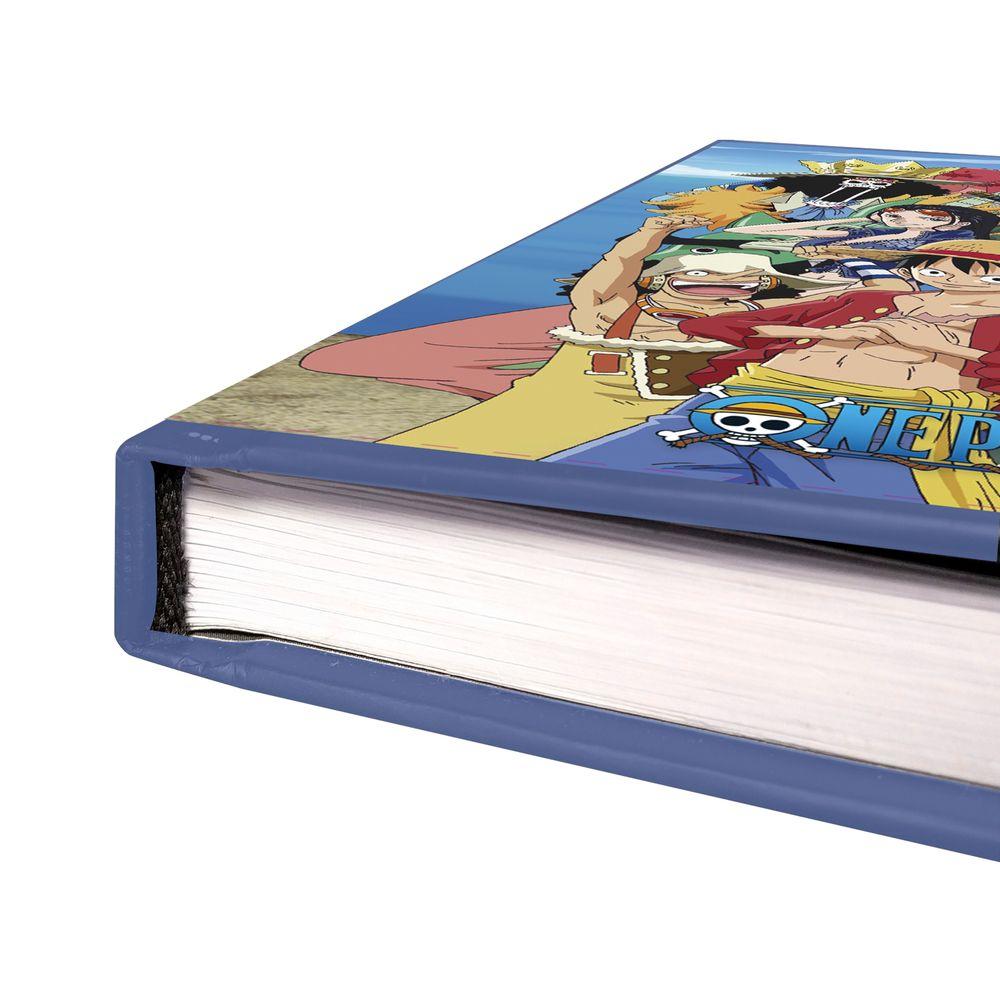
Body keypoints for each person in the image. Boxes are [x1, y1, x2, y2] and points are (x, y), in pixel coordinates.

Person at [545, 241, 1000, 511]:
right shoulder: (870, 300)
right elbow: (748, 325)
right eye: (934, 266)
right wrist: (830, 332)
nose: (950, 277)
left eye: (984, 274)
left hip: (884, 417)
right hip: (753, 393)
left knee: (846, 514)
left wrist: (936, 343)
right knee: (586, 479)